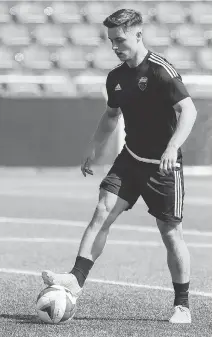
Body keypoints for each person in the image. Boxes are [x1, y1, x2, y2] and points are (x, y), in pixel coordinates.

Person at [42, 9, 197, 324]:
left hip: (163, 169)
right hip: (130, 159)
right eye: (111, 40)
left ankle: (182, 305)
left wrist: (172, 147)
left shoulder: (161, 71)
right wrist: (94, 147)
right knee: (102, 210)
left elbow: (188, 111)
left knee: (170, 233)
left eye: (120, 39)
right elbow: (111, 116)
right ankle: (76, 278)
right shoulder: (116, 77)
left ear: (138, 34)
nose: (114, 45)